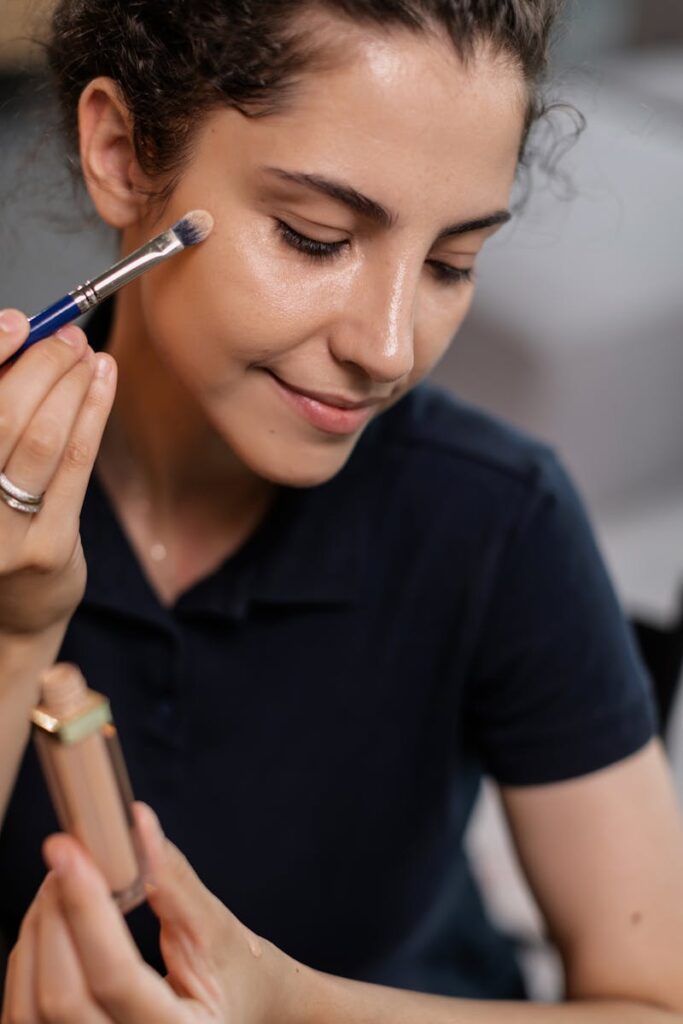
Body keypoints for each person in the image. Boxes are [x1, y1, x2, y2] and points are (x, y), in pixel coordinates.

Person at [2, 0, 683, 1020]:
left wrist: (280, 1002)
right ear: (124, 153)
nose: (390, 347)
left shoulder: (497, 519)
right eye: (314, 237)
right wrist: (16, 633)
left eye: (452, 263)